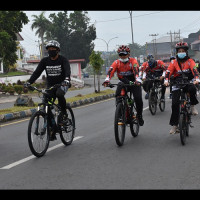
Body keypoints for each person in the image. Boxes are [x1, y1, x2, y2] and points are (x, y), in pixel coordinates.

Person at [25, 40, 71, 140]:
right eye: (49, 49)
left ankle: (64, 113)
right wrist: (30, 82)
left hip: (63, 83)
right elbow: (37, 72)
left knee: (59, 94)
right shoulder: (45, 61)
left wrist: (67, 79)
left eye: (53, 49)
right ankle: (53, 129)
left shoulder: (63, 60)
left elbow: (67, 71)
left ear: (57, 50)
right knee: (46, 104)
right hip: (50, 86)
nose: (50, 51)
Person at [102, 45, 144, 126]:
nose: (123, 56)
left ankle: (139, 115)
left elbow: (136, 71)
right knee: (118, 94)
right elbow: (111, 71)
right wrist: (107, 80)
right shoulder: (117, 63)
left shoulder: (133, 61)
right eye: (121, 55)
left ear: (128, 54)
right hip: (124, 81)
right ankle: (120, 112)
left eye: (124, 54)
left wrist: (137, 80)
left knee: (138, 98)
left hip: (134, 81)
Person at [164, 42, 199, 134]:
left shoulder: (190, 61)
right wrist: (166, 80)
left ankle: (192, 106)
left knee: (192, 89)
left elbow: (194, 70)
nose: (181, 52)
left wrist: (196, 79)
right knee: (175, 104)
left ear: (186, 52)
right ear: (177, 53)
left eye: (183, 51)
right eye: (179, 51)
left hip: (188, 81)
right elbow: (168, 72)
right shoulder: (174, 62)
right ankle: (175, 126)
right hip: (177, 82)